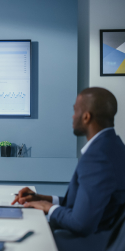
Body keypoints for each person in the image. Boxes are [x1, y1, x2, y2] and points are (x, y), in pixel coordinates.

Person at [12, 87, 125, 236]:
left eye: (75, 111)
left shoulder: (98, 157)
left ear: (86, 117)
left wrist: (49, 207)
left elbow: (80, 224)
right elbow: (90, 204)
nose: (72, 117)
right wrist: (43, 199)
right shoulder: (114, 146)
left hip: (82, 247)